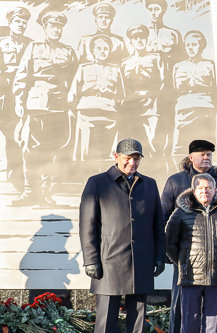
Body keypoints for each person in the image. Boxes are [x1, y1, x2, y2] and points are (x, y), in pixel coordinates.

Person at [79, 139, 166, 333]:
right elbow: (88, 225)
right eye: (127, 157)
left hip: (141, 261)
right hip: (109, 261)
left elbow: (158, 225)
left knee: (138, 315)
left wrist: (159, 255)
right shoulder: (97, 183)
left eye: (136, 157)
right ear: (115, 155)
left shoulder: (149, 185)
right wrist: (91, 259)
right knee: (106, 317)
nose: (132, 161)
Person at [160, 139, 217, 333]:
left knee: (214, 307)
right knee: (182, 304)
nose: (206, 158)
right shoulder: (176, 181)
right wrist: (172, 255)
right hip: (187, 257)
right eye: (202, 154)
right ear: (191, 157)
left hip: (215, 257)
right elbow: (163, 216)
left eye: (209, 154)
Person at [11, 11, 78, 206]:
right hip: (36, 105)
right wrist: (19, 101)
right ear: (44, 28)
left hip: (59, 107)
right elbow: (22, 76)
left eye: (59, 27)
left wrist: (71, 104)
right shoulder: (33, 48)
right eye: (52, 26)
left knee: (53, 152)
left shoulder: (68, 51)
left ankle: (46, 192)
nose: (56, 30)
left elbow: (75, 80)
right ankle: (29, 191)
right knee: (30, 150)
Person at [68, 35, 125, 167]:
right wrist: (72, 107)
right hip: (87, 114)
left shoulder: (115, 69)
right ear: (92, 51)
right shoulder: (83, 68)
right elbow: (73, 91)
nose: (102, 51)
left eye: (105, 49)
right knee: (86, 151)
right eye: (99, 48)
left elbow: (121, 94)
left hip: (109, 115)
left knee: (107, 152)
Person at [120, 25, 165, 159]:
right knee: (133, 146)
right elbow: (122, 87)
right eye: (135, 38)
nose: (139, 40)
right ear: (131, 41)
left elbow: (163, 82)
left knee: (153, 143)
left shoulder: (156, 58)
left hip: (151, 106)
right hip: (132, 109)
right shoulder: (125, 63)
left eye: (142, 37)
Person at [0, 7, 32, 192]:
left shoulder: (31, 44)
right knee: (9, 134)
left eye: (24, 22)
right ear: (10, 23)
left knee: (20, 135)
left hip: (22, 95)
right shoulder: (2, 44)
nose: (21, 25)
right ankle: (14, 174)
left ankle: (20, 176)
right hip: (5, 95)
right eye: (18, 21)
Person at [171, 30, 216, 155]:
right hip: (183, 107)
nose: (190, 48)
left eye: (194, 45)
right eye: (188, 45)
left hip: (204, 107)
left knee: (205, 143)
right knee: (179, 145)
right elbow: (174, 90)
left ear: (201, 46)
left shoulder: (209, 65)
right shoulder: (178, 66)